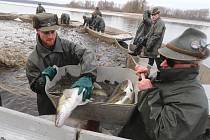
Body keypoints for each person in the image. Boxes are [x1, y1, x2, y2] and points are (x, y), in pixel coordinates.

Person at [119, 28, 210, 140]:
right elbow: (161, 91)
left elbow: (163, 134)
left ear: (191, 65)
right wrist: (146, 77)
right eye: (163, 58)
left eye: (170, 61)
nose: (162, 64)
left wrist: (148, 93)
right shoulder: (171, 76)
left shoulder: (195, 103)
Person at [26, 13, 96, 115]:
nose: (50, 36)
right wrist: (43, 79)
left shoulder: (67, 46)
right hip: (47, 105)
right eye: (46, 33)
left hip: (71, 99)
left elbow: (87, 54)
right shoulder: (32, 60)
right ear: (37, 31)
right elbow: (34, 86)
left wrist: (88, 75)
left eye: (53, 32)